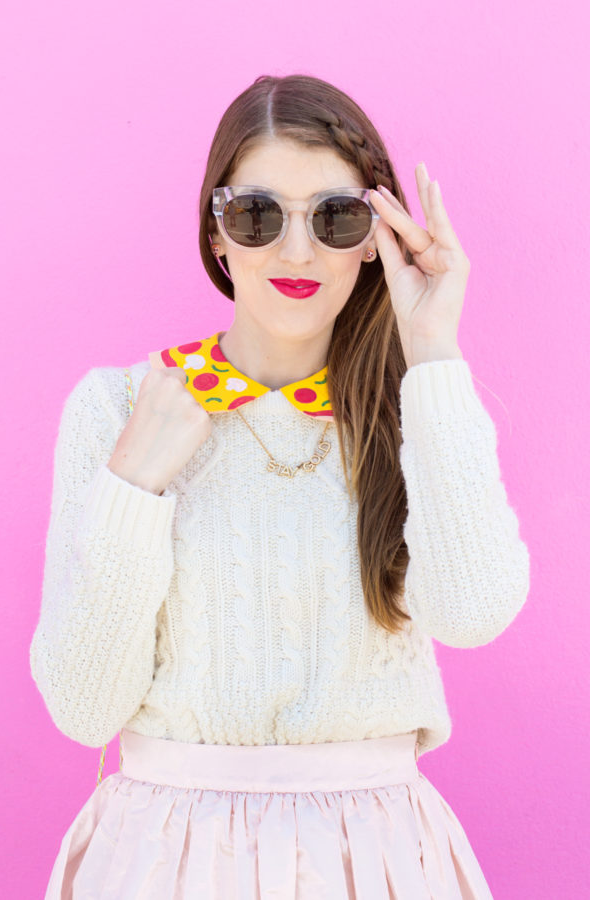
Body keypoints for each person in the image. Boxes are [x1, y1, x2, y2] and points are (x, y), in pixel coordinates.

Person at [30, 73, 530, 898]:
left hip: (372, 858)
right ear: (218, 236)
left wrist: (434, 350)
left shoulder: (419, 411)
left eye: (335, 218)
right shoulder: (117, 407)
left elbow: (474, 614)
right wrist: (134, 485)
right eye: (258, 216)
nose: (296, 253)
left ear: (376, 236)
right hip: (164, 858)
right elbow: (85, 709)